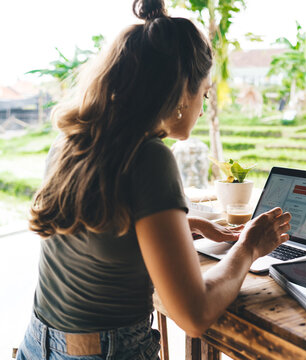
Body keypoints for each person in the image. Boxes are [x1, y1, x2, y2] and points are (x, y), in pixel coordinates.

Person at [16, 0, 291, 359]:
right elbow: (194, 315)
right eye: (204, 93)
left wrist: (183, 224)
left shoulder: (74, 140)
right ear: (180, 92)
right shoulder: (149, 157)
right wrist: (249, 247)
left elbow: (102, 226)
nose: (203, 107)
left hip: (39, 344)